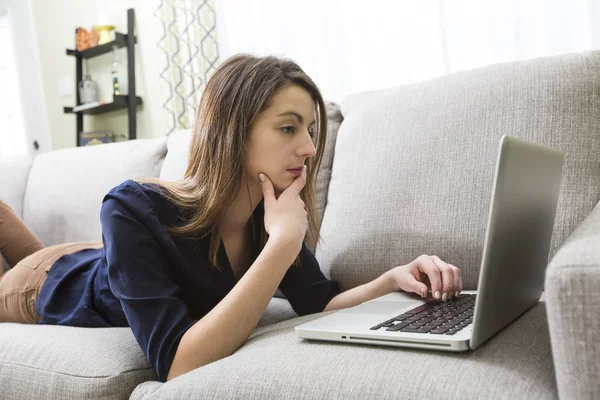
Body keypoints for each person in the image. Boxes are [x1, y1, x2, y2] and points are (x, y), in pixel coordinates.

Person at [0, 54, 463, 382]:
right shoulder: (129, 207)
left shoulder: (271, 213)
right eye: (288, 128)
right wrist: (281, 246)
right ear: (232, 132)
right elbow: (176, 364)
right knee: (24, 253)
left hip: (99, 259)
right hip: (43, 284)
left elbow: (318, 302)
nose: (308, 147)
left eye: (311, 130)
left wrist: (395, 280)